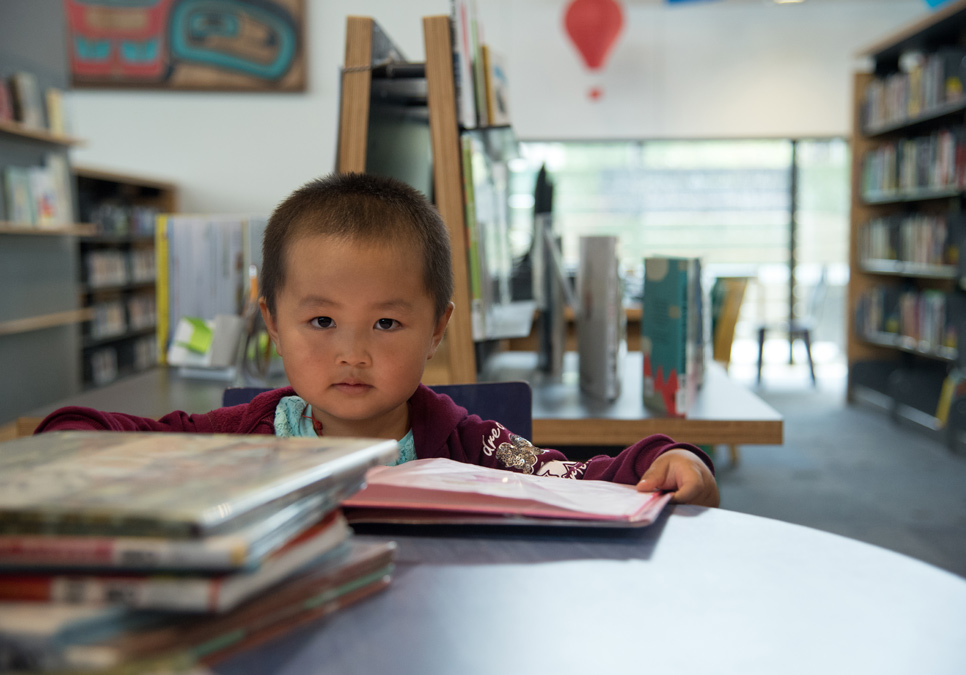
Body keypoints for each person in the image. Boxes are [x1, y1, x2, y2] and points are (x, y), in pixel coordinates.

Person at [37, 173, 719, 507]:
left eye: (387, 323)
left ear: (437, 329)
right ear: (271, 320)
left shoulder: (468, 444)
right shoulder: (240, 436)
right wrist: (66, 441)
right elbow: (94, 432)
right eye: (321, 321)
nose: (353, 352)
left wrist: (668, 457)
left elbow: (577, 479)